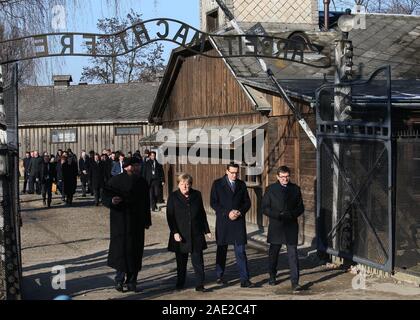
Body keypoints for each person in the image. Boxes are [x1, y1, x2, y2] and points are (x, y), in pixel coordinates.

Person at [102, 157, 151, 292]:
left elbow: (146, 203)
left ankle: (132, 282)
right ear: (126, 167)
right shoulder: (115, 181)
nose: (137, 168)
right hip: (120, 222)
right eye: (134, 166)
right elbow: (104, 196)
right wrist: (112, 200)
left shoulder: (142, 182)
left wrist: (147, 220)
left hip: (137, 222)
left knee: (135, 252)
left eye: (138, 166)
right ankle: (119, 280)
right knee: (121, 252)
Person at [262, 166, 304, 292]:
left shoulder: (295, 189)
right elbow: (265, 208)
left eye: (287, 176)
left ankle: (295, 281)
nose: (285, 179)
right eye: (282, 177)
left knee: (293, 254)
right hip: (276, 225)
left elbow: (300, 207)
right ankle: (272, 275)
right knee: (274, 253)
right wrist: (277, 215)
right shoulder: (270, 189)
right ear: (277, 177)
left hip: (291, 225)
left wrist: (291, 214)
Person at [166, 173, 212, 292]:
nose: (185, 187)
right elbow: (170, 217)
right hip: (180, 234)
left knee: (198, 261)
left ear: (191, 184)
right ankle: (180, 283)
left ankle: (200, 284)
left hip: (196, 233)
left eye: (187, 184)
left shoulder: (197, 195)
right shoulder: (173, 197)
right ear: (178, 185)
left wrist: (206, 230)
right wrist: (175, 232)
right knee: (181, 262)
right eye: (182, 184)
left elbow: (202, 213)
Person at [210, 163, 253, 288]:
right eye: (232, 172)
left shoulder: (241, 184)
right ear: (226, 171)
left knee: (240, 251)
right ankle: (220, 275)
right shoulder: (217, 184)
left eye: (236, 173)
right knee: (222, 249)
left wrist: (240, 211)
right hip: (224, 222)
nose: (234, 175)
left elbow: (247, 202)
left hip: (238, 222)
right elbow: (213, 202)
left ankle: (245, 279)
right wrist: (227, 212)